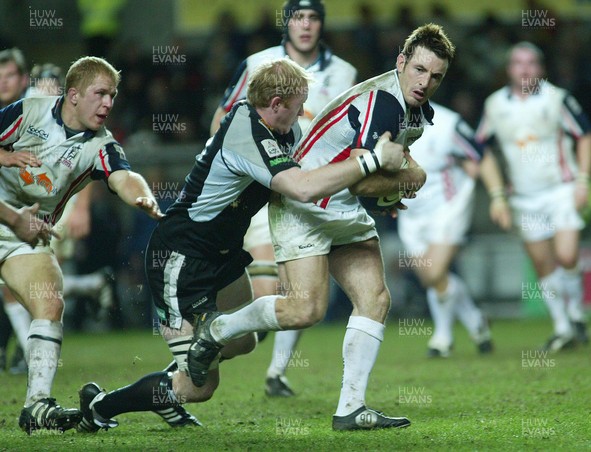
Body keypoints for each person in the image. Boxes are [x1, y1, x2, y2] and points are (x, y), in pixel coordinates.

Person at [76, 57, 407, 432]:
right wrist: (375, 161)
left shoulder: (281, 129)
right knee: (198, 387)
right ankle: (102, 405)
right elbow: (301, 187)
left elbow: (316, 176)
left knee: (243, 341)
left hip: (223, 253)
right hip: (181, 257)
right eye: (298, 107)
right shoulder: (247, 130)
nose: (302, 116)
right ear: (277, 103)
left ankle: (172, 385)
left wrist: (379, 190)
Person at [186, 23, 453, 431]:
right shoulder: (384, 101)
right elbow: (367, 178)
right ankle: (216, 329)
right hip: (305, 203)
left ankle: (350, 408)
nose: (425, 82)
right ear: (401, 62)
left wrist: (394, 189)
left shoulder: (414, 107)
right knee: (304, 309)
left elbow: (379, 174)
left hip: (341, 205)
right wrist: (408, 179)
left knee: (375, 299)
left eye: (435, 76)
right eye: (418, 69)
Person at [0, 56, 165, 434]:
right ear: (73, 95)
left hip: (22, 236)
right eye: (101, 94)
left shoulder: (100, 145)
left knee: (50, 301)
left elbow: (124, 176)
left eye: (113, 96)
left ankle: (36, 406)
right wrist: (12, 214)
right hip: (11, 220)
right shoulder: (27, 112)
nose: (108, 103)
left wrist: (143, 197)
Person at [211, 0, 358, 398]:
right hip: (262, 185)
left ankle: (275, 373)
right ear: (287, 23)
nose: (305, 25)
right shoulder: (258, 62)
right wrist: (216, 161)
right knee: (266, 293)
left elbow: (350, 131)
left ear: (322, 24)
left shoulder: (345, 72)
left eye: (313, 18)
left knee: (303, 294)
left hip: (313, 189)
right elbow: (225, 115)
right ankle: (208, 345)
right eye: (298, 17)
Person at [476, 42, 591, 352]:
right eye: (518, 63)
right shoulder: (494, 105)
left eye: (531, 63)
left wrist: (583, 180)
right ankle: (563, 326)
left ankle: (575, 313)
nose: (525, 69)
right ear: (509, 69)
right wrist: (497, 195)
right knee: (542, 263)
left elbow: (585, 136)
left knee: (568, 256)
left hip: (561, 188)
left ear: (541, 68)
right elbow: (481, 150)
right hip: (524, 198)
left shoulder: (557, 98)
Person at [397, 101, 493, 358]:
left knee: (435, 271)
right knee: (432, 278)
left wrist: (498, 197)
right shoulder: (385, 118)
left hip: (448, 206)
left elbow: (480, 155)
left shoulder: (448, 122)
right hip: (410, 213)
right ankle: (476, 320)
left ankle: (442, 337)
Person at [0, 47, 33, 375]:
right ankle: (30, 351)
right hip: (10, 210)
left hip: (46, 204)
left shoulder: (40, 110)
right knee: (10, 283)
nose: (3, 84)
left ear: (23, 79)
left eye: (9, 76)